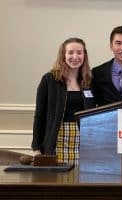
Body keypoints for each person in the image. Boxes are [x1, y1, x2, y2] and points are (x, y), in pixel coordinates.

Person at [31, 37, 95, 165]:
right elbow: (39, 115)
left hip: (84, 142)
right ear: (63, 55)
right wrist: (36, 148)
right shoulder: (49, 80)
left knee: (81, 180)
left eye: (79, 52)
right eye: (70, 52)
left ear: (84, 55)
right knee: (58, 181)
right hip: (57, 140)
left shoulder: (89, 81)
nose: (75, 56)